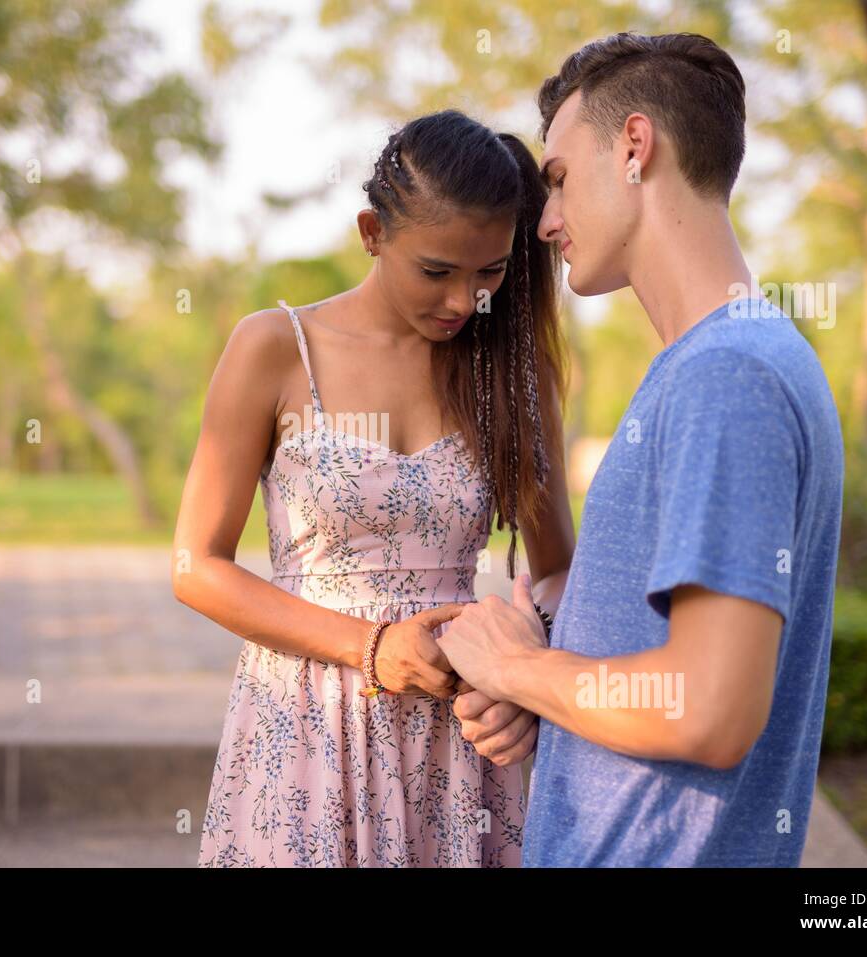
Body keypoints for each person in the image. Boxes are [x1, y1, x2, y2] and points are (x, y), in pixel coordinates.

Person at [437, 32, 846, 867]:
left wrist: (521, 670)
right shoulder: (724, 361)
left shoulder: (725, 374)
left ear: (634, 148)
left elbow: (709, 709)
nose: (545, 224)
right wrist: (545, 669)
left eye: (555, 181)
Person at [172, 109, 576, 867]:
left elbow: (557, 570)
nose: (463, 301)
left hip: (457, 747)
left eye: (488, 271)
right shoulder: (274, 348)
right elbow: (196, 566)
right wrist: (374, 646)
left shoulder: (510, 371)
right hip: (304, 733)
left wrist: (525, 671)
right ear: (371, 231)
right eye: (437, 271)